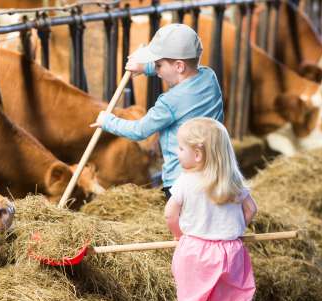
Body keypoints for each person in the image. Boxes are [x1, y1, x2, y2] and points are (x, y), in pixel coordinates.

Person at [164, 117, 257, 301]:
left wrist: (179, 236)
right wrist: (233, 229)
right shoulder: (234, 179)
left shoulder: (185, 180)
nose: (177, 153)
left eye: (180, 149)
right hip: (230, 252)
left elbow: (170, 213)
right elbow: (251, 209)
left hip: (194, 252)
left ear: (197, 153)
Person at [91, 23, 223, 199]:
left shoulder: (169, 103)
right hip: (214, 173)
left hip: (180, 180)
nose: (157, 71)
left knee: (182, 224)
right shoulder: (209, 77)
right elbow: (175, 68)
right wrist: (145, 68)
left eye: (158, 65)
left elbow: (139, 131)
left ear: (179, 66)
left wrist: (107, 121)